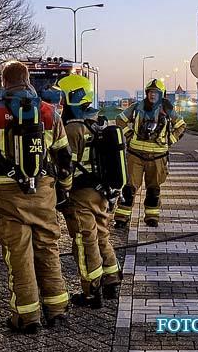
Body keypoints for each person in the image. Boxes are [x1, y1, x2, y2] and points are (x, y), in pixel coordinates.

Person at [0, 61, 73, 334]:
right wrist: (64, 188)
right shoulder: (50, 113)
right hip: (44, 191)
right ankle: (57, 309)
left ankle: (27, 317)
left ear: (4, 83)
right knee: (48, 247)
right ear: (28, 81)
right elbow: (64, 157)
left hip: (8, 193)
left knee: (19, 254)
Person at [56, 74, 123, 307]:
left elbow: (67, 167)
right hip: (101, 192)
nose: (61, 105)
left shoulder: (73, 129)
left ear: (74, 98)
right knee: (102, 234)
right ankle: (111, 279)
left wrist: (59, 193)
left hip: (80, 195)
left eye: (63, 100)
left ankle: (91, 291)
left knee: (85, 241)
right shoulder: (97, 123)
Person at [113, 79, 186, 228]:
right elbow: (120, 120)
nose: (153, 95)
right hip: (136, 155)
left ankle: (152, 217)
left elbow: (181, 126)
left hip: (158, 157)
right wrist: (128, 135)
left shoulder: (167, 109)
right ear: (147, 93)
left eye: (156, 93)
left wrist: (169, 140)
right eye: (150, 92)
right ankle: (121, 218)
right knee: (129, 188)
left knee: (153, 189)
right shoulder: (136, 107)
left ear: (161, 94)